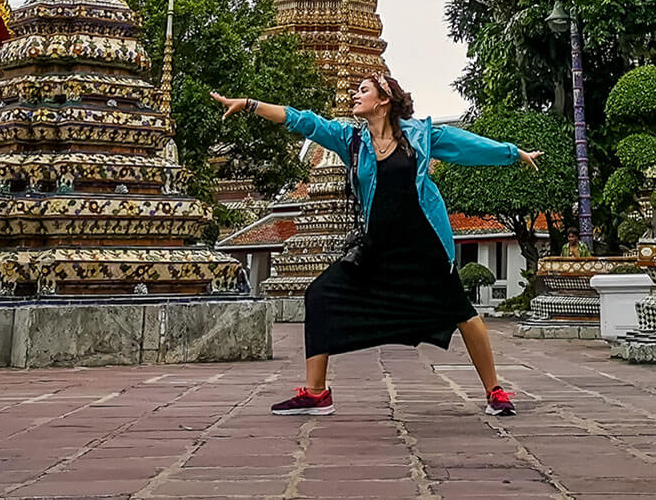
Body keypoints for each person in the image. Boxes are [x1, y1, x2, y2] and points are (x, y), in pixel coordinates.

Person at [214, 74, 541, 418]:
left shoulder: (420, 135)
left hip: (425, 244)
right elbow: (304, 121)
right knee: (319, 295)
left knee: (463, 314)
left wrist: (513, 154)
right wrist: (250, 104)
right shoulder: (352, 140)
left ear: (384, 99)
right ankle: (316, 393)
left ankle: (494, 391)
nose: (355, 95)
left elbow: (466, 146)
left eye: (363, 90)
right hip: (379, 248)